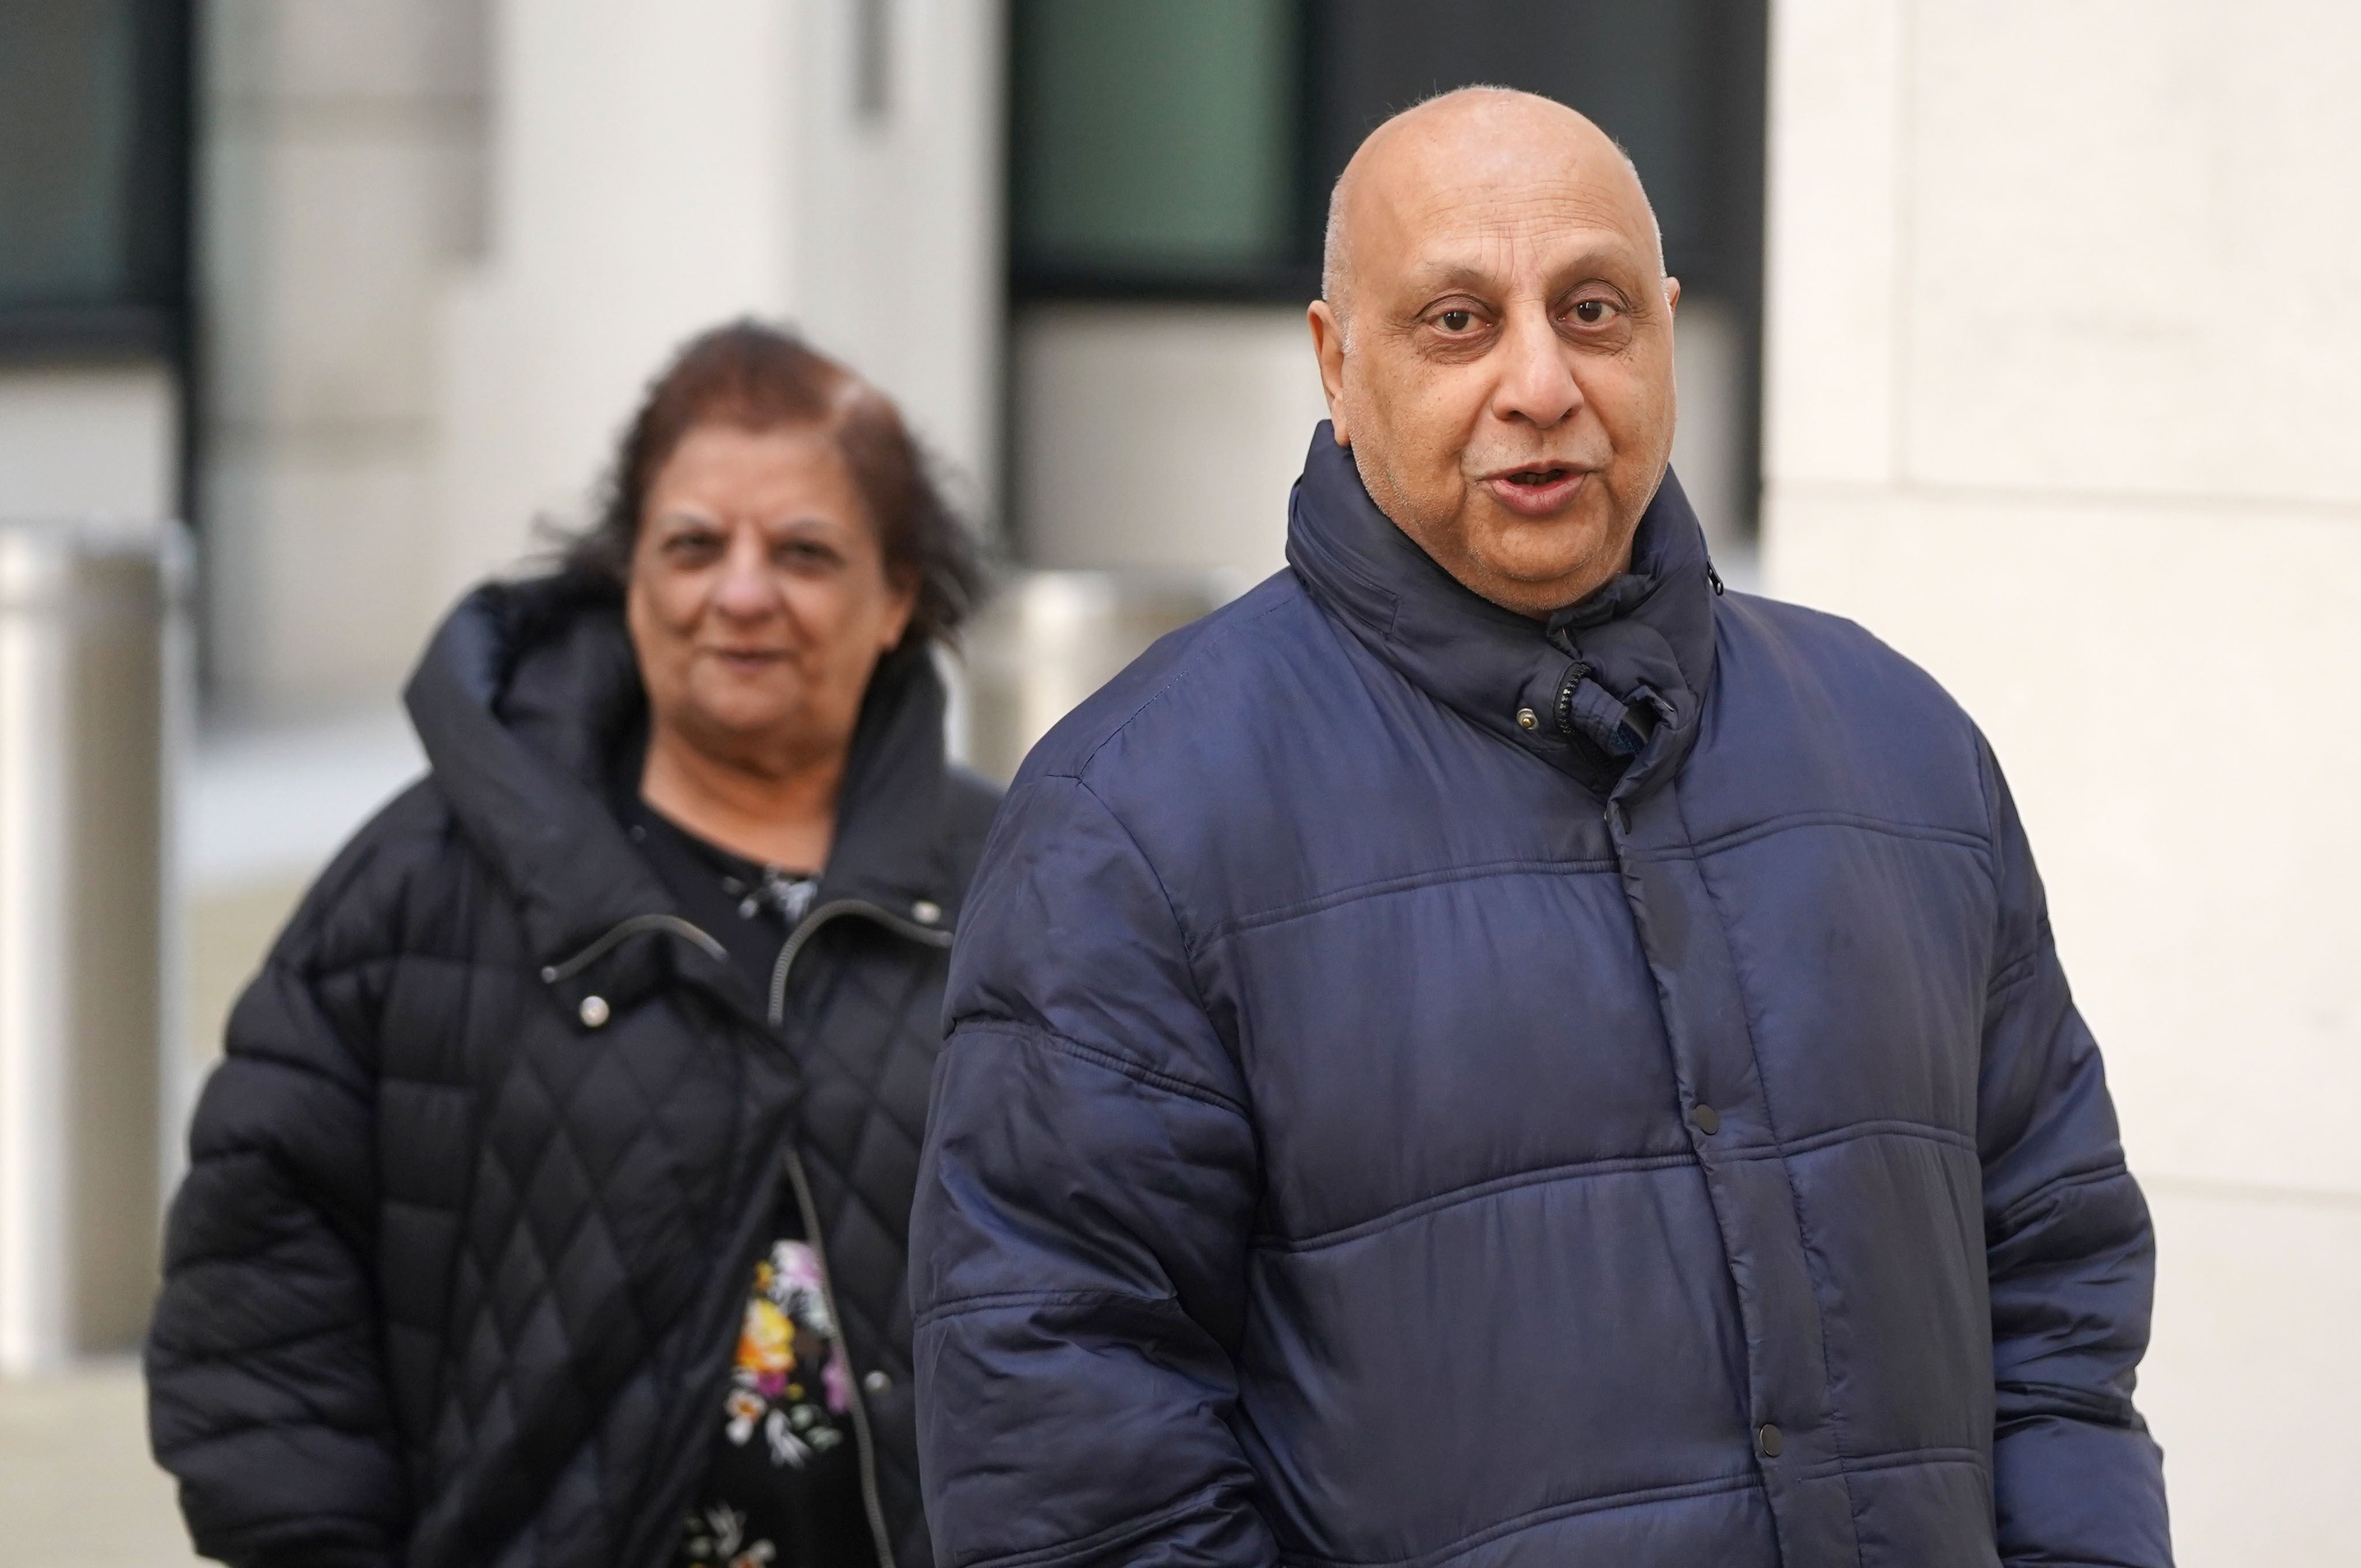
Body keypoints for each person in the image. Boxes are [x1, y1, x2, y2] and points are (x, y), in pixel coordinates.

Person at [910, 88, 2171, 1568]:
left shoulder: (1897, 751)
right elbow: (1066, 1445)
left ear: (1666, 333)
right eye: (1455, 320)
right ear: (1334, 360)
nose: (1538, 380)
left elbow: (2055, 1297)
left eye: (1591, 309)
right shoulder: (1130, 820)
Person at [147, 322, 994, 1568]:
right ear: (627, 575)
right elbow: (258, 1274)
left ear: (896, 599)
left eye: (804, 552)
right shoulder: (423, 882)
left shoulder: (1026, 879)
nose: (741, 593)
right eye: (693, 544)